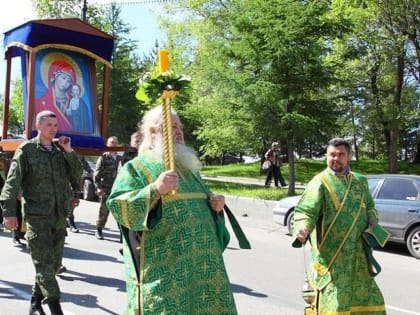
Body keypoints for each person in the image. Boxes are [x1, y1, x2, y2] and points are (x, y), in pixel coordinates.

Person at [106, 106, 238, 315]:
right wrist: (155, 189)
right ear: (152, 132)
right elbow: (118, 205)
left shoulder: (188, 169)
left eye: (180, 127)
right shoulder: (138, 168)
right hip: (167, 271)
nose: (179, 131)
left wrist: (216, 206)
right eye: (172, 126)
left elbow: (205, 209)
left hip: (204, 270)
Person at [0, 110, 83, 315]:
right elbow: (11, 184)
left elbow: (77, 174)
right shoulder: (26, 150)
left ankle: (35, 303)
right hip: (37, 217)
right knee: (44, 264)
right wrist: (9, 212)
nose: (53, 129)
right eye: (49, 125)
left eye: (55, 126)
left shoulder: (59, 150)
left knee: (52, 265)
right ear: (39, 126)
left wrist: (69, 151)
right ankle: (55, 307)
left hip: (59, 216)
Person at [292, 138, 387, 314]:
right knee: (335, 303)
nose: (336, 158)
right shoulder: (319, 182)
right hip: (332, 258)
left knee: (368, 299)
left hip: (359, 255)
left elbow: (371, 207)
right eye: (332, 155)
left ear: (349, 156)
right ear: (326, 156)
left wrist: (373, 221)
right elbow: (306, 211)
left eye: (341, 154)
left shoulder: (360, 181)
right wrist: (303, 228)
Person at [35, 60, 76, 132]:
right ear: (55, 76)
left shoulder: (74, 102)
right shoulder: (39, 102)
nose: (65, 82)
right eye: (63, 78)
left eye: (69, 81)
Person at [94, 136, 121, 240]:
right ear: (108, 144)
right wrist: (98, 187)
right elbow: (97, 174)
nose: (113, 144)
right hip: (106, 188)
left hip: (117, 189)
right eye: (111, 142)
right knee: (104, 211)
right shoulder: (104, 157)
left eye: (115, 142)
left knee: (119, 211)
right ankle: (99, 229)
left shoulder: (120, 158)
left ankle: (122, 234)